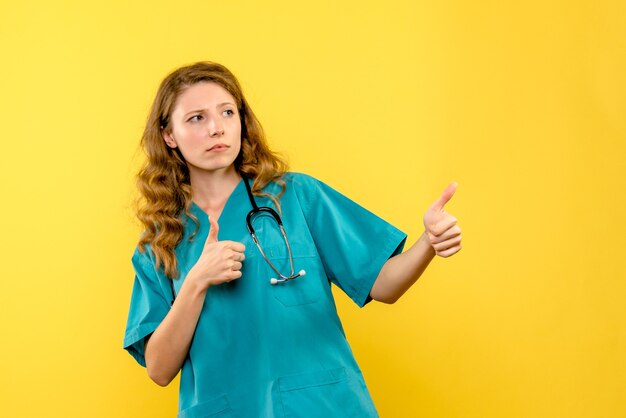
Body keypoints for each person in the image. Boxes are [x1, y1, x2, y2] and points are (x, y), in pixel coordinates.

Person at [123, 61, 462, 417]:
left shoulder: (297, 196)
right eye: (196, 118)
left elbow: (383, 285)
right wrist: (196, 281)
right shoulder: (160, 243)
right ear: (169, 135)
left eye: (227, 112)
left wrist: (428, 243)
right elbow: (159, 370)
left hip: (318, 405)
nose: (217, 129)